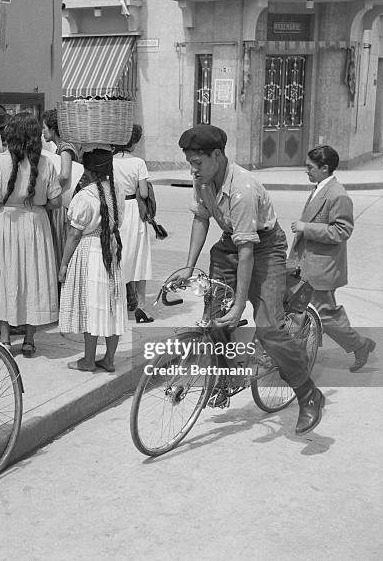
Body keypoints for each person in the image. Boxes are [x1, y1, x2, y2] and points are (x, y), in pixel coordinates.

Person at [169, 124, 324, 436]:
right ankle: (225, 380)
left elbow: (247, 252)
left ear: (217, 156)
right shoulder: (202, 177)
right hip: (231, 243)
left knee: (269, 328)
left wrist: (240, 305)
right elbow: (201, 217)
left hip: (264, 247)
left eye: (197, 163)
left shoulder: (242, 190)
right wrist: (188, 267)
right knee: (215, 319)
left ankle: (309, 395)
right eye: (190, 163)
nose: (193, 169)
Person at [0, 115, 62, 356]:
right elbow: (56, 201)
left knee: (3, 276)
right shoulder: (46, 162)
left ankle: (4, 339)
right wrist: (37, 204)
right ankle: (28, 339)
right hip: (35, 224)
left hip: (4, 223)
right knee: (33, 277)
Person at [289, 145, 376, 372]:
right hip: (310, 265)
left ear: (325, 168)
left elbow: (342, 231)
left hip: (321, 268)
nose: (306, 171)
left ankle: (360, 345)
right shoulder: (321, 187)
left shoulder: (338, 194)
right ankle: (297, 355)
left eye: (310, 167)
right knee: (309, 313)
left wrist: (306, 227)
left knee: (323, 316)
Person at [59, 148, 127, 372]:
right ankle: (109, 359)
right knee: (112, 305)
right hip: (112, 250)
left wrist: (64, 263)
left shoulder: (84, 196)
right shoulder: (117, 190)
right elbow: (120, 221)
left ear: (87, 170)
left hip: (90, 252)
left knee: (92, 305)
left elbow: (74, 234)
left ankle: (88, 360)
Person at [112, 124, 154, 323]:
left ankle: (118, 303)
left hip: (116, 209)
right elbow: (144, 193)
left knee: (119, 256)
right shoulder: (138, 162)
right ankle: (141, 306)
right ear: (135, 142)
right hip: (133, 210)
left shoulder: (110, 162)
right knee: (139, 256)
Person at [41, 109, 82, 270]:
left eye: (44, 128)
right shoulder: (63, 146)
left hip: (64, 204)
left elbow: (64, 175)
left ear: (53, 129)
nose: (42, 132)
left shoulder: (65, 148)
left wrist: (48, 186)